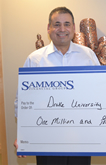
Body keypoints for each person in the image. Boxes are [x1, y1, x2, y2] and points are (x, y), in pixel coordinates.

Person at [14, 7, 100, 165]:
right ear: (48, 28)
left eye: (67, 24)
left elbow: (100, 93)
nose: (62, 29)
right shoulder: (34, 60)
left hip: (81, 137)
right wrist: (23, 134)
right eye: (56, 24)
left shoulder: (88, 56)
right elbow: (22, 101)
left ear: (73, 28)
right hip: (46, 138)